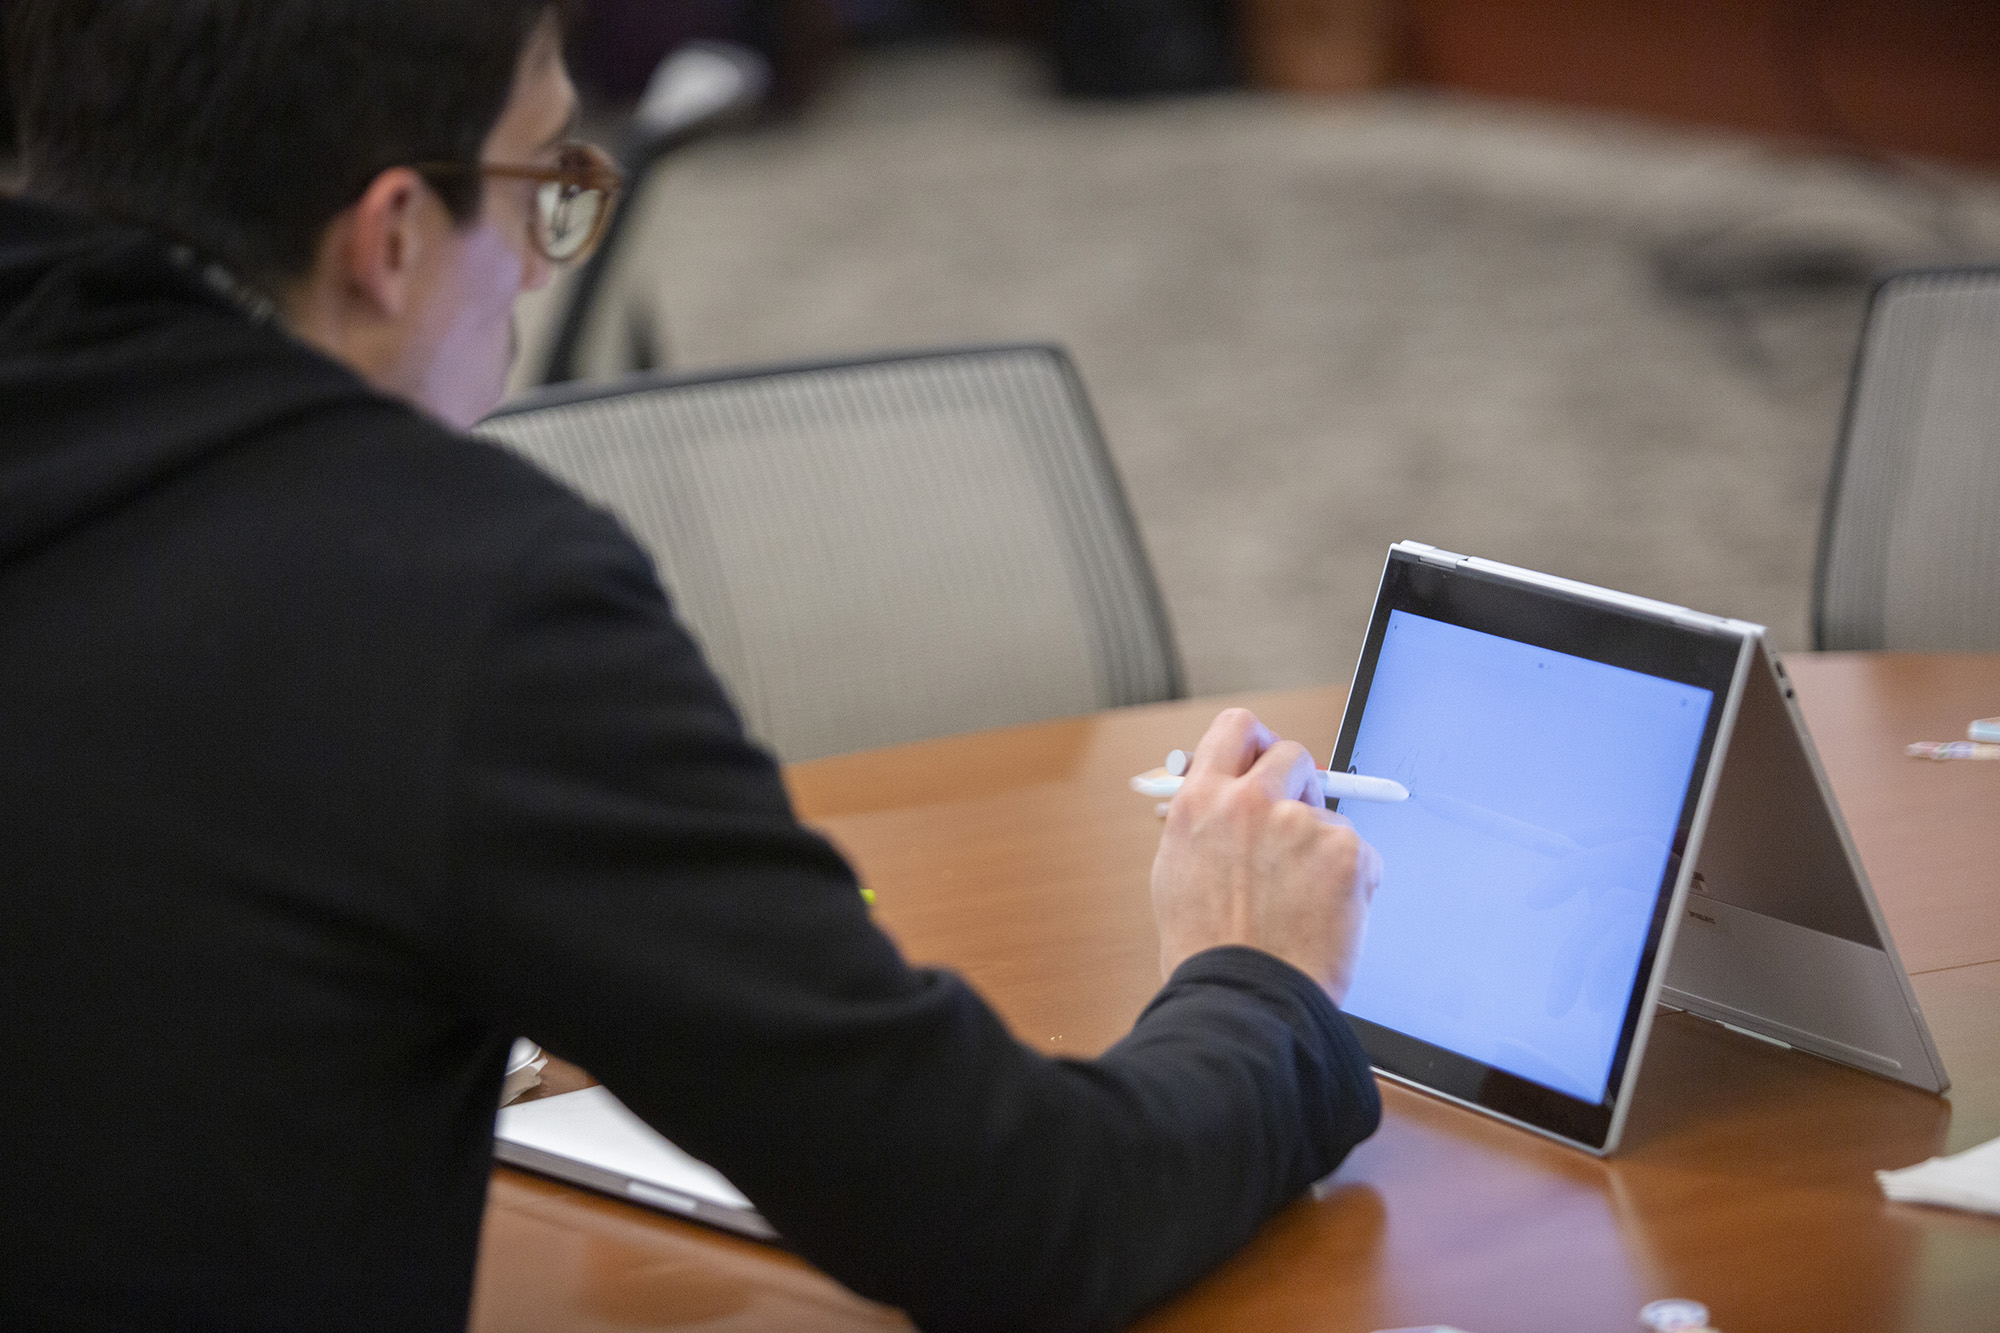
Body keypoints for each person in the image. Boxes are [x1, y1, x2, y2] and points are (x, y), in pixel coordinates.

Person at [0, 3, 1384, 1330]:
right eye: (543, 178)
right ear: (394, 235)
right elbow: (1016, 1213)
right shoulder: (455, 595)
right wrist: (1253, 982)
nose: (546, 264)